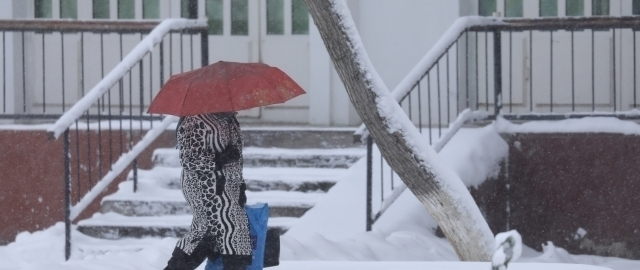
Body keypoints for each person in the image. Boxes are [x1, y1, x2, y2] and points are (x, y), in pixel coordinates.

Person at [164, 112, 252, 270]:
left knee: (230, 231)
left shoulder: (228, 118)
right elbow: (189, 159)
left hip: (226, 185)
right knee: (210, 232)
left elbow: (235, 155)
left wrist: (239, 185)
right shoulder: (194, 120)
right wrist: (219, 159)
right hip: (204, 184)